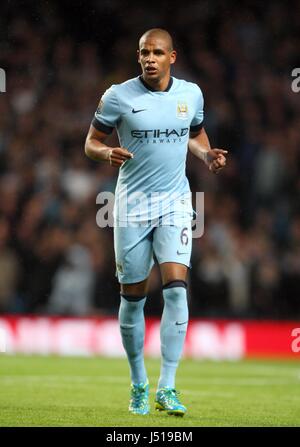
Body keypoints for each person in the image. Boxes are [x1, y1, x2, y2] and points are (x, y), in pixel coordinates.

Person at [85, 28, 227, 416]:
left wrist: (206, 155)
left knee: (176, 288)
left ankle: (167, 386)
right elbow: (91, 142)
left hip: (177, 202)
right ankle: (138, 383)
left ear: (172, 57)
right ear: (138, 56)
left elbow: (194, 134)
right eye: (144, 52)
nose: (149, 58)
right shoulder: (118, 95)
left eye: (157, 52)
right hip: (131, 207)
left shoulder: (190, 94)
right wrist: (105, 153)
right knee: (133, 298)